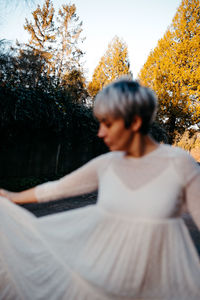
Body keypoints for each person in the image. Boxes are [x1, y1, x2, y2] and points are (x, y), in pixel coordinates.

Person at [0, 78, 199, 300]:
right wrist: (11, 196)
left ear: (134, 122)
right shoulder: (107, 164)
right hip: (100, 282)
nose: (100, 133)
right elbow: (57, 189)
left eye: (107, 123)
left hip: (158, 288)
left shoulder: (179, 163)